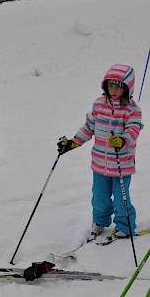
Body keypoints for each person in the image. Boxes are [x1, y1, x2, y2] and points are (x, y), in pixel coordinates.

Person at [57, 64, 143, 241]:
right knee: (99, 199)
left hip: (121, 165)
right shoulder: (99, 104)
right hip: (99, 164)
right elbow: (89, 127)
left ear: (127, 88)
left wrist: (123, 140)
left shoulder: (132, 110)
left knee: (121, 200)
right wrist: (73, 143)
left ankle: (125, 226)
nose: (113, 90)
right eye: (110, 86)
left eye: (118, 86)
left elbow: (134, 130)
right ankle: (100, 222)